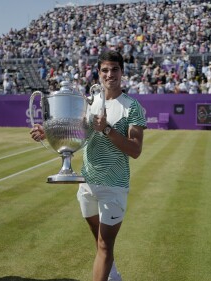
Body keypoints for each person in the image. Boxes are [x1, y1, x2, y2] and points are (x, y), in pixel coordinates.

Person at [30, 50, 146, 281]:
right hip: (86, 183)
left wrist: (107, 129)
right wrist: (49, 133)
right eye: (105, 70)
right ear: (99, 73)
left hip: (114, 186)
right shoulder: (91, 103)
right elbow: (79, 136)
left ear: (122, 72)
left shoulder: (132, 107)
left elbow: (135, 150)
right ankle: (114, 277)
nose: (109, 74)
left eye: (114, 69)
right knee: (100, 242)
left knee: (104, 246)